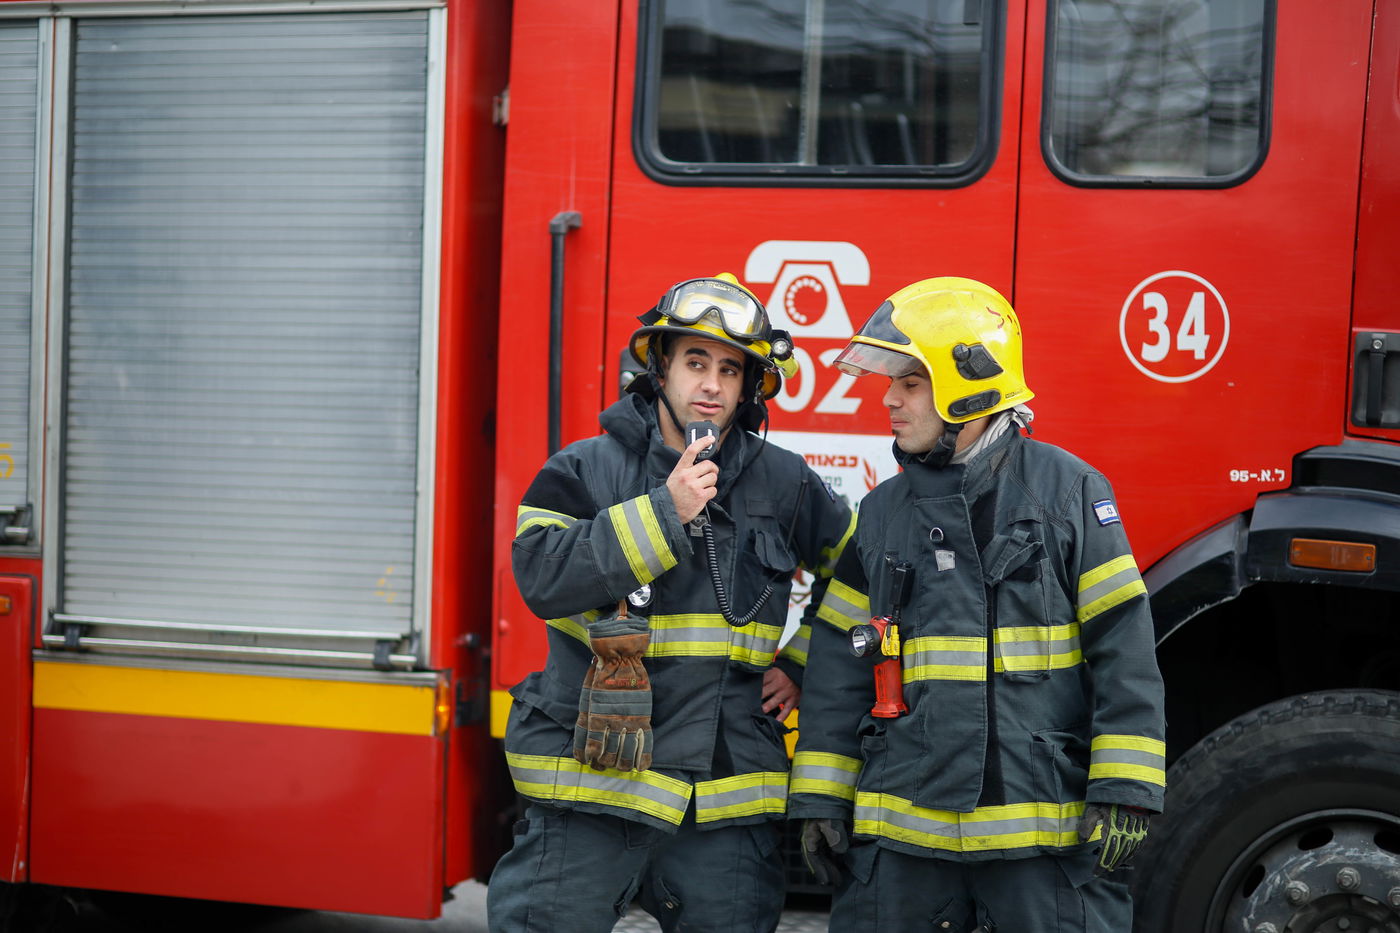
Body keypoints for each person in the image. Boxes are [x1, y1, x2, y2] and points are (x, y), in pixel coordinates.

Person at [790, 277, 1166, 932]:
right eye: (893, 383)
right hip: (903, 846)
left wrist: (1125, 790)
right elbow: (836, 668)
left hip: (1040, 841)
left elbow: (1124, 651)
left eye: (911, 383)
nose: (889, 399)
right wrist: (820, 797)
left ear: (969, 388)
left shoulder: (1068, 494)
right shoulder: (879, 514)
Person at [487, 273, 855, 933]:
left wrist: (801, 660)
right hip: (592, 785)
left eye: (730, 370)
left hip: (723, 800)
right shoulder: (583, 468)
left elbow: (859, 570)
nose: (711, 384)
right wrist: (666, 511)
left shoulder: (785, 481)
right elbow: (540, 576)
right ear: (660, 367)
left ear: (750, 387)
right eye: (695, 362)